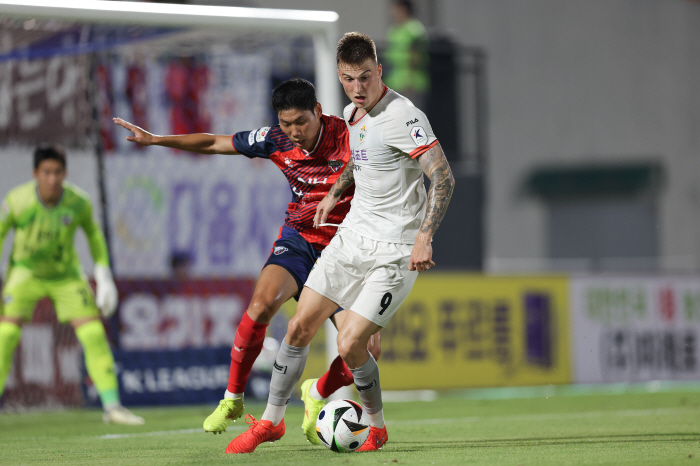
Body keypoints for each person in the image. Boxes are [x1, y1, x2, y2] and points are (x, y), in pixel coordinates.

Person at [113, 78, 381, 444]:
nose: (294, 132)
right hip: (300, 241)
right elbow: (213, 142)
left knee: (364, 350)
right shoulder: (276, 139)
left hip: (346, 250)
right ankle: (233, 400)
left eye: (301, 121)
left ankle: (315, 391)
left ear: (318, 111)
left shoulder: (351, 135)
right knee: (260, 305)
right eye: (286, 124)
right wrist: (158, 139)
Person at [227, 32, 454, 454]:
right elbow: (361, 156)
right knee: (298, 327)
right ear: (339, 76)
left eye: (365, 77)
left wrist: (425, 236)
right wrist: (336, 191)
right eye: (349, 79)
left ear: (379, 71)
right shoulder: (353, 114)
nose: (358, 87)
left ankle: (377, 426)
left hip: (396, 251)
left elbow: (442, 175)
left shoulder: (404, 116)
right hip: (351, 239)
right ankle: (271, 423)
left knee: (353, 345)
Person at [0, 144, 144, 425]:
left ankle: (112, 407)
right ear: (35, 174)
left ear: (64, 173)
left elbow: (93, 234)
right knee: (5, 336)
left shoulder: (79, 202)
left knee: (92, 334)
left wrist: (102, 274)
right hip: (25, 274)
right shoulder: (17, 201)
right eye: (46, 172)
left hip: (66, 276)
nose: (52, 179)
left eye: (57, 172)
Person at [384, 0, 430, 109]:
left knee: (411, 118)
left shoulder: (414, 29)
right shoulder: (394, 30)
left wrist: (410, 81)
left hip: (410, 84)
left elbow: (416, 56)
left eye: (396, 9)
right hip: (395, 82)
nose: (393, 12)